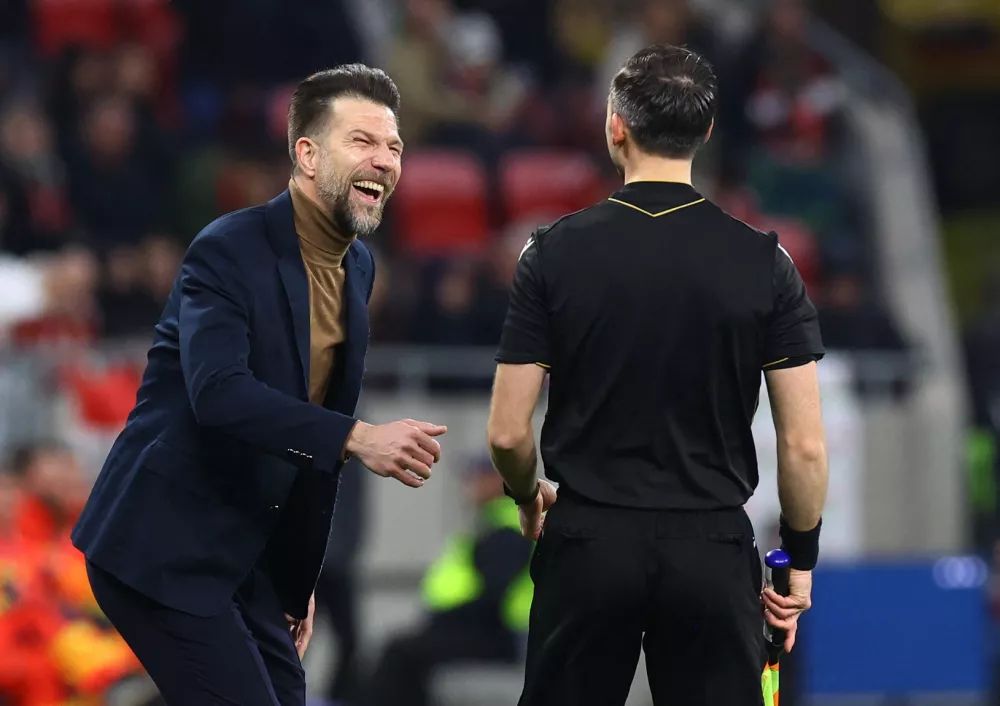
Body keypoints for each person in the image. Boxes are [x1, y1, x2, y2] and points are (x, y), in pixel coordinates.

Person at [71, 63, 449, 706]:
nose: (384, 160)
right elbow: (219, 393)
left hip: (245, 561)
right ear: (306, 153)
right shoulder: (228, 248)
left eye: (394, 147)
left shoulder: (359, 265)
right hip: (159, 543)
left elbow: (302, 447)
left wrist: (295, 579)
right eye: (362, 141)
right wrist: (358, 438)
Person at [486, 44, 829, 705]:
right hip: (711, 546)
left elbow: (506, 432)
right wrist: (800, 564)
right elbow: (805, 445)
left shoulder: (551, 254)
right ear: (705, 131)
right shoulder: (765, 263)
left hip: (588, 543)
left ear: (615, 125)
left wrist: (528, 497)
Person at [362, 456, 534, 706]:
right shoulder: (493, 523)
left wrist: (443, 621)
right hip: (481, 629)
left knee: (400, 653)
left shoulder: (509, 528)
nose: (468, 484)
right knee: (406, 652)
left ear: (500, 481)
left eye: (476, 477)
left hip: (499, 634)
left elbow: (493, 597)